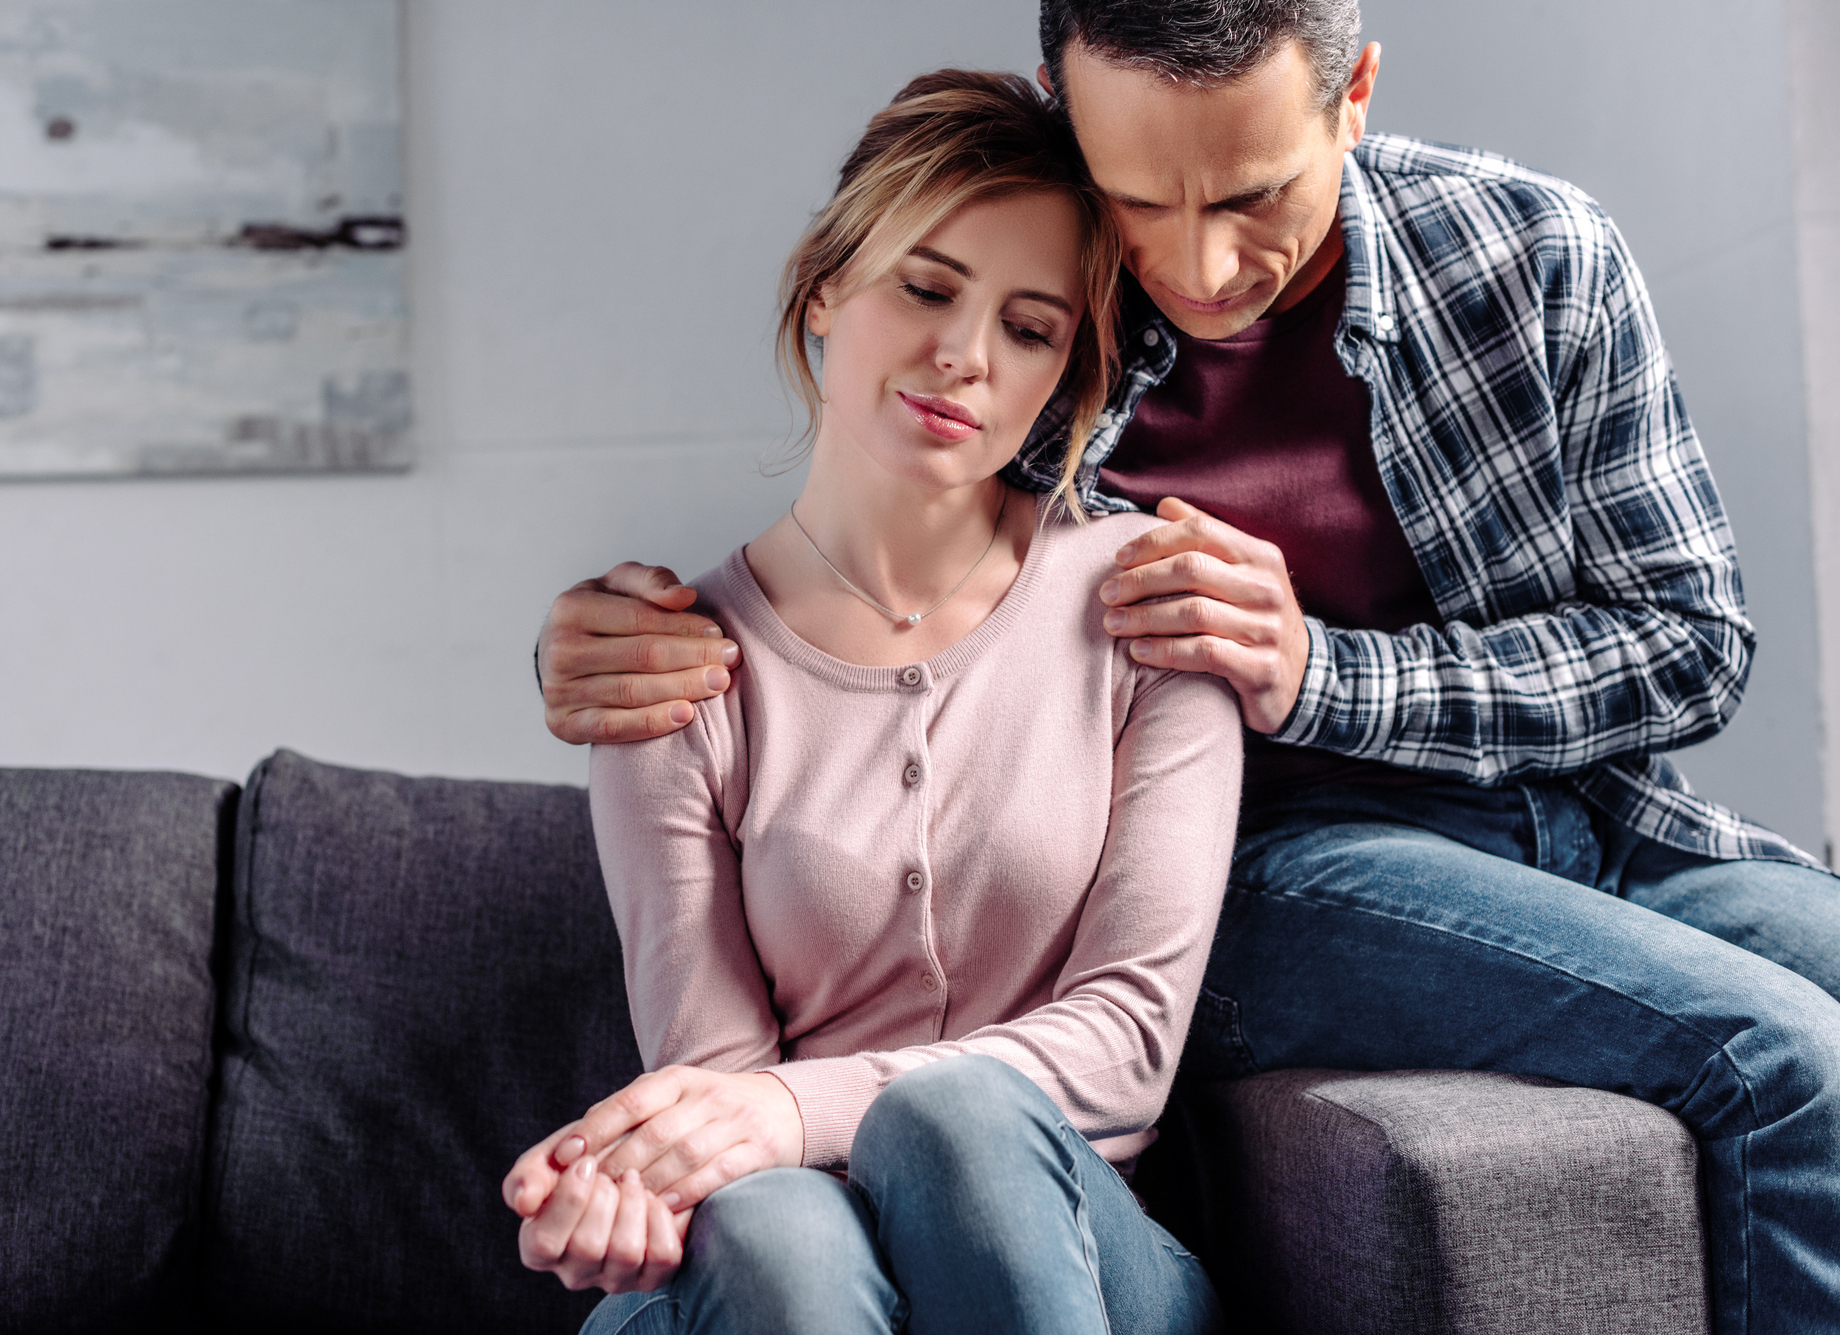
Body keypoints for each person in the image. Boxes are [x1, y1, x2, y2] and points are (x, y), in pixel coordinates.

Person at [533, 4, 1840, 1332]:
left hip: (1604, 816)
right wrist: (591, 637)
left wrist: (1326, 672)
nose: (1204, 265)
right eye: (1141, 197)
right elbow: (891, 546)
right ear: (1063, 104)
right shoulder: (1062, 304)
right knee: (1783, 1059)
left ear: (1357, 93)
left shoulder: (1535, 253)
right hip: (1296, 855)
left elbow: (1692, 641)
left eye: (1254, 192)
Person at [505, 71, 1243, 1334]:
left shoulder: (1147, 605)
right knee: (773, 1227)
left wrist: (792, 1110)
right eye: (925, 286)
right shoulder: (669, 667)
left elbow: (1124, 1048)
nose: (963, 354)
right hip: (781, 1252)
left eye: (1029, 327)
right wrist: (651, 1180)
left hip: (1079, 1253)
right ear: (822, 292)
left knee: (952, 1122)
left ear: (1062, 376)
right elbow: (714, 1084)